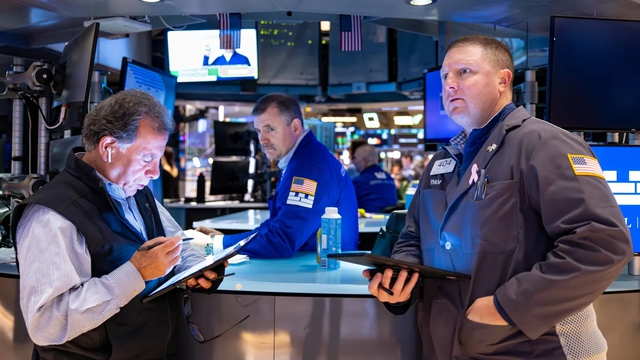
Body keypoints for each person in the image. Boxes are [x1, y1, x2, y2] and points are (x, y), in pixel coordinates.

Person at [364, 35, 633, 359]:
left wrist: (506, 307)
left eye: (464, 72)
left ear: (503, 80)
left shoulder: (545, 144)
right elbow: (413, 237)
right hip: (449, 345)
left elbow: (602, 243)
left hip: (534, 348)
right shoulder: (442, 161)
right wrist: (400, 280)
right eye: (445, 76)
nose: (449, 84)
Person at [12, 89, 226, 359]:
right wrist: (135, 274)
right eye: (147, 158)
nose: (155, 172)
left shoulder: (136, 191)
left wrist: (195, 270)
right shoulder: (52, 215)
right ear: (108, 148)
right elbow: (47, 324)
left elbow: (175, 246)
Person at [198, 93, 359, 258]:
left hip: (316, 273)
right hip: (312, 266)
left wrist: (215, 245)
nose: (262, 139)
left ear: (295, 126)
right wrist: (225, 240)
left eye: (270, 129)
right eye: (259, 131)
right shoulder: (302, 159)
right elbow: (278, 224)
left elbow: (282, 240)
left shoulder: (309, 168)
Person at [351, 144, 398, 213]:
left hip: (368, 222)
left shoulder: (358, 182)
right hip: (390, 222)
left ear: (364, 160)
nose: (353, 162)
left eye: (355, 158)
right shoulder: (390, 178)